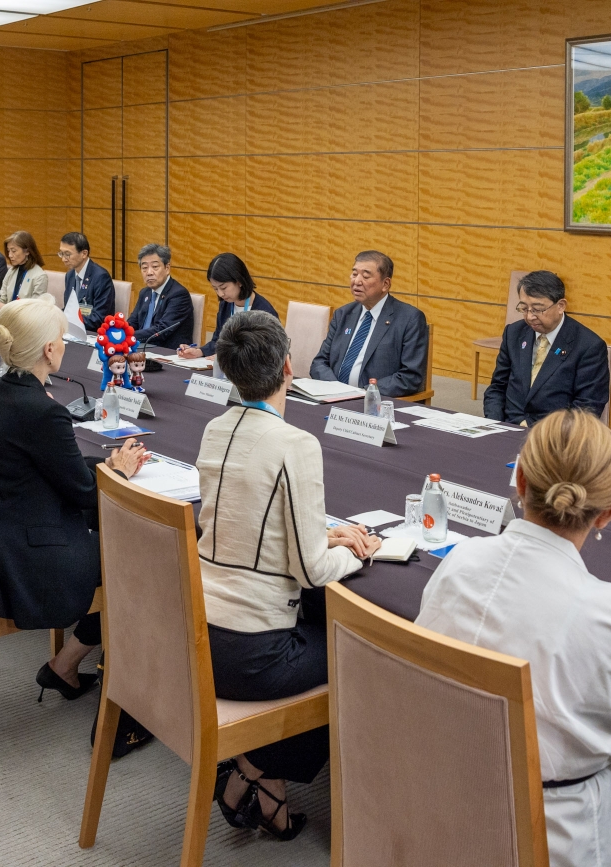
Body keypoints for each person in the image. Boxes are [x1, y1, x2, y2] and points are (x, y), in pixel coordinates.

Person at [416, 409, 611, 867]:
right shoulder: (606, 612)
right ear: (610, 511)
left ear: (520, 480)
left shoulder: (460, 562)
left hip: (446, 815)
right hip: (550, 845)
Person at [199, 311, 379, 840]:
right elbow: (312, 572)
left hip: (199, 637)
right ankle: (257, 772)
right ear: (287, 367)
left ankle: (257, 777)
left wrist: (325, 533)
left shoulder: (214, 428)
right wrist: (363, 552)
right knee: (358, 653)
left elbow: (245, 520)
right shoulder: (295, 444)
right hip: (252, 656)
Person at [0, 297, 149, 701]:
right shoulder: (42, 411)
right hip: (31, 557)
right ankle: (129, 688)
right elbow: (84, 493)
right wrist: (118, 472)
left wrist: (105, 462)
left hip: (0, 534)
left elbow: (48, 461)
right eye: (63, 339)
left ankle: (65, 666)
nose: (65, 345)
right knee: (143, 556)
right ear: (49, 350)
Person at [483, 270, 610, 425]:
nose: (529, 316)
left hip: (553, 437)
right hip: (508, 428)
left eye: (537, 309)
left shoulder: (589, 346)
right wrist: (493, 425)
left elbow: (586, 409)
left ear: (561, 306)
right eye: (524, 308)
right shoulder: (514, 333)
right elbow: (497, 388)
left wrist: (540, 433)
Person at [309, 251, 428, 397]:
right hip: (333, 397)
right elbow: (319, 362)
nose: (357, 281)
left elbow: (410, 377)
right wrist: (336, 390)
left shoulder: (409, 319)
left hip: (373, 403)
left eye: (365, 276)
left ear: (385, 284)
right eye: (354, 274)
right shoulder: (343, 314)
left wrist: (365, 393)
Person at [177, 253, 277, 359]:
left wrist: (226, 357)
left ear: (239, 281)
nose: (220, 294)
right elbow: (218, 340)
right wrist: (199, 352)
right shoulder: (226, 305)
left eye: (223, 288)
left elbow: (264, 355)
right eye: (215, 289)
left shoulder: (265, 312)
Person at [127, 243, 193, 349]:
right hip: (141, 348)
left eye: (155, 267)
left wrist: (128, 336)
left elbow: (161, 330)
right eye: (144, 268)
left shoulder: (179, 294)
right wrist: (119, 332)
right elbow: (133, 321)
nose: (149, 272)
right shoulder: (145, 292)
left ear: (167, 268)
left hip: (165, 352)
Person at [60, 231, 115, 331]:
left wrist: (65, 320)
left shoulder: (100, 277)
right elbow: (69, 309)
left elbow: (99, 318)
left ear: (84, 253)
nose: (63, 259)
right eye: (61, 254)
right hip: (73, 331)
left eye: (67, 254)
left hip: (94, 334)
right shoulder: (70, 275)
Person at [0, 230, 48, 304]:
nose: (10, 255)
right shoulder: (11, 271)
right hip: (6, 313)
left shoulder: (40, 276)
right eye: (8, 251)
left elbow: (36, 308)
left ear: (27, 251)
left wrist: (5, 308)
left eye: (14, 251)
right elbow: (2, 298)